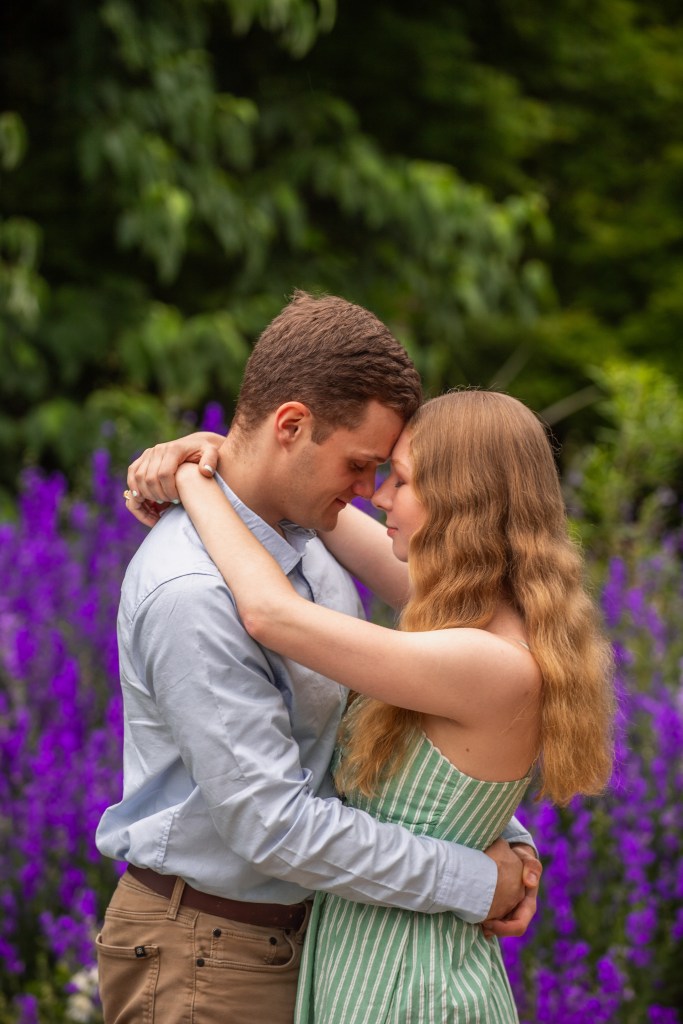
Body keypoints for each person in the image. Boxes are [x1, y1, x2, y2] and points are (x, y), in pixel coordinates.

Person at [96, 291, 540, 1024]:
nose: (371, 493)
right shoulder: (193, 591)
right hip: (206, 954)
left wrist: (494, 828)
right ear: (292, 426)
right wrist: (472, 878)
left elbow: (389, 724)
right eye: (361, 465)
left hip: (313, 939)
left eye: (388, 474)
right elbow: (272, 825)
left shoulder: (313, 539)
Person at [148, 389, 615, 1023]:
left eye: (402, 479)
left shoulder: (485, 660)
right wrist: (228, 459)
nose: (379, 496)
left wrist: (191, 479)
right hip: (387, 968)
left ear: (461, 501)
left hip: (410, 986)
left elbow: (270, 614)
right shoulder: (484, 618)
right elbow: (324, 514)